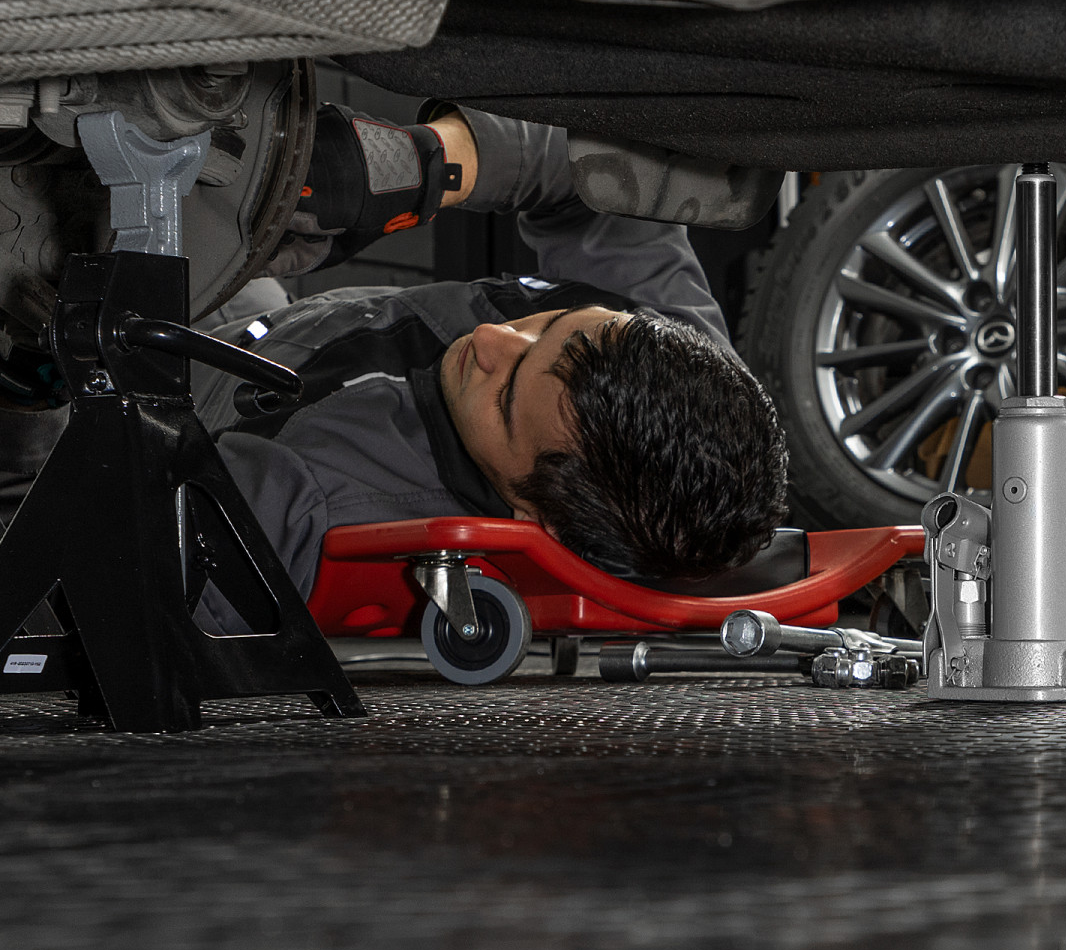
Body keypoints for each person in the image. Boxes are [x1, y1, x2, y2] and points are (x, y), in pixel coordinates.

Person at [193, 105, 792, 627]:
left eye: (506, 396)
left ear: (538, 523)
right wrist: (431, 167)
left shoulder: (302, 510)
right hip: (264, 309)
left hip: (180, 369)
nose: (489, 338)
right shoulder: (672, 356)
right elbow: (607, 166)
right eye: (547, 325)